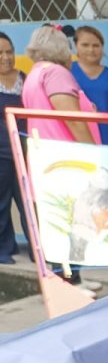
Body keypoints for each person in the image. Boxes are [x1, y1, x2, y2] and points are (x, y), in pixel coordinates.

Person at [22, 25, 101, 296]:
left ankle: (74, 279)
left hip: (48, 157)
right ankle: (67, 284)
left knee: (62, 221)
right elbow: (71, 117)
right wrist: (92, 150)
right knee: (68, 222)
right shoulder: (55, 73)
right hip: (66, 158)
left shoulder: (36, 73)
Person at [0, 32, 30, 264]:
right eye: (0, 53)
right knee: (1, 202)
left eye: (9, 51)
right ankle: (3, 250)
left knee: (30, 202)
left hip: (26, 151)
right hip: (1, 154)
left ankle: (39, 250)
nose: (6, 57)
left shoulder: (26, 80)